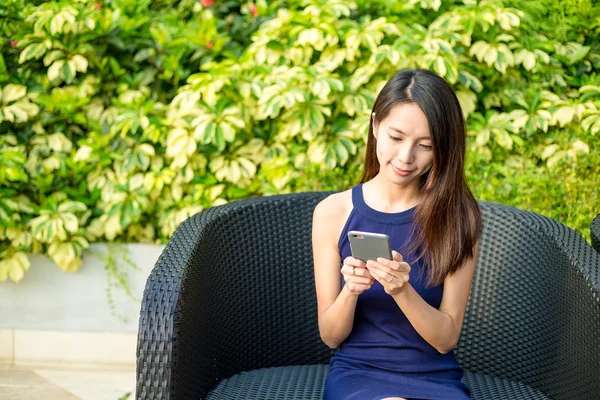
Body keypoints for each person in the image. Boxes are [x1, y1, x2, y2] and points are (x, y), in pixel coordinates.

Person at [312, 68, 482, 400]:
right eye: (396, 137)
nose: (406, 158)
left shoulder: (459, 218)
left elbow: (446, 338)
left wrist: (401, 291)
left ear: (443, 149)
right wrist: (351, 290)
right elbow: (331, 336)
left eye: (426, 145)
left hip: (436, 379)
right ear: (375, 125)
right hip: (359, 376)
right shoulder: (333, 213)